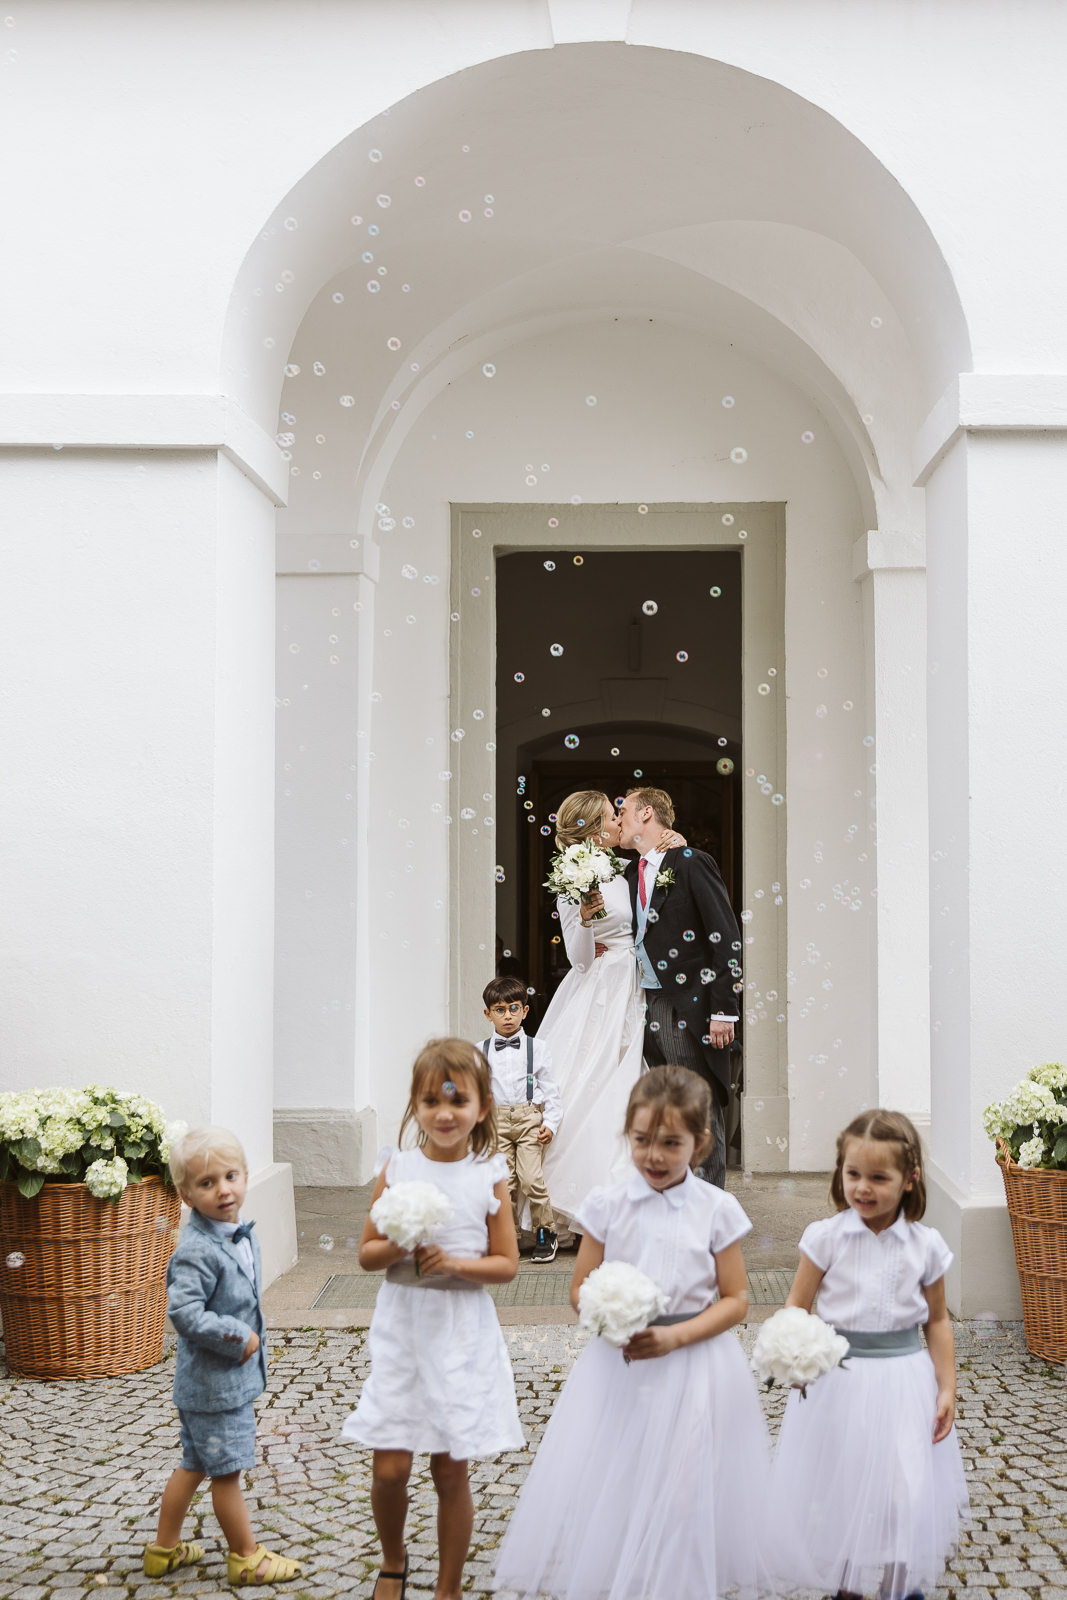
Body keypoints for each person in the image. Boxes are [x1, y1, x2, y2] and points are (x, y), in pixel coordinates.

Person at [494, 1065, 779, 1600]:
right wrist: (611, 1316)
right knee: (622, 1471)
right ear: (627, 1134)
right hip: (621, 1366)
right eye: (642, 1139)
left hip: (695, 1364)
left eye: (671, 1143)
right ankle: (627, 1573)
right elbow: (581, 1289)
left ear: (700, 1144)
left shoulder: (717, 1210)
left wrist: (677, 1336)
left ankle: (680, 1578)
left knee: (686, 1481)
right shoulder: (607, 1205)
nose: (653, 1154)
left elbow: (738, 1300)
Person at [343, 1038, 523, 1600]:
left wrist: (456, 1264)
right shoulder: (397, 1168)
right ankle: (393, 1562)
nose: (444, 1114)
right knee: (391, 1468)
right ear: (415, 1107)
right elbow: (366, 1255)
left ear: (482, 1107)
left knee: (450, 1470)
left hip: (460, 1329)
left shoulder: (488, 1174)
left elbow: (508, 1265)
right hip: (405, 1326)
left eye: (458, 1100)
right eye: (430, 1101)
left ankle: (449, 1586)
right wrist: (400, 1245)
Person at [772, 1109, 970, 1600]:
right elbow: (796, 1307)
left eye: (879, 1177)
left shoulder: (926, 1246)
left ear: (909, 1180)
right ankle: (848, 1584)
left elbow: (937, 1320)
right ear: (840, 1171)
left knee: (903, 1488)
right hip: (838, 1383)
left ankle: (899, 1586)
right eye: (853, 1173)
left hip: (904, 1382)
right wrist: (793, 1358)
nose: (863, 1187)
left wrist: (946, 1386)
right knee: (840, 1484)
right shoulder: (825, 1238)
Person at [144, 1127, 301, 1585]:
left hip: (213, 1385)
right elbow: (185, 1313)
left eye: (230, 1176)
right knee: (227, 1474)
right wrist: (239, 1335)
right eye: (207, 1183)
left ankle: (164, 1550)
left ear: (247, 1177)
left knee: (194, 1463)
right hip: (215, 1387)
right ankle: (246, 1557)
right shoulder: (196, 1249)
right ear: (186, 1194)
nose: (223, 1189)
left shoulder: (237, 1234)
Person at [538, 789, 683, 1226]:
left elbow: (658, 903)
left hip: (632, 985)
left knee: (625, 1082)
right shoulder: (572, 878)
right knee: (590, 1080)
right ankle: (570, 1198)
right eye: (610, 816)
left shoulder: (625, 870)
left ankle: (617, 1193)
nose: (620, 821)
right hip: (599, 991)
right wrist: (584, 915)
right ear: (594, 828)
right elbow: (579, 960)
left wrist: (674, 848)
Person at [616, 785, 741, 1188]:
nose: (618, 821)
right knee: (668, 1103)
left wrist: (723, 1010)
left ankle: (708, 1203)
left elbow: (725, 935)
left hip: (687, 1004)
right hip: (644, 1004)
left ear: (647, 814)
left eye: (625, 813)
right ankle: (677, 1191)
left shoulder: (689, 862)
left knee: (697, 1102)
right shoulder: (625, 874)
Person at [481, 974, 563, 1263]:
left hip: (529, 1120)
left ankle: (546, 1231)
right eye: (500, 1010)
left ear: (525, 1011)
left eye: (514, 1008)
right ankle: (508, 1236)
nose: (507, 1016)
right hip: (496, 1123)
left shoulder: (536, 1048)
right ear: (488, 1014)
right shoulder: (480, 1050)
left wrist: (550, 1123)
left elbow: (551, 1091)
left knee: (531, 1179)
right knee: (504, 1182)